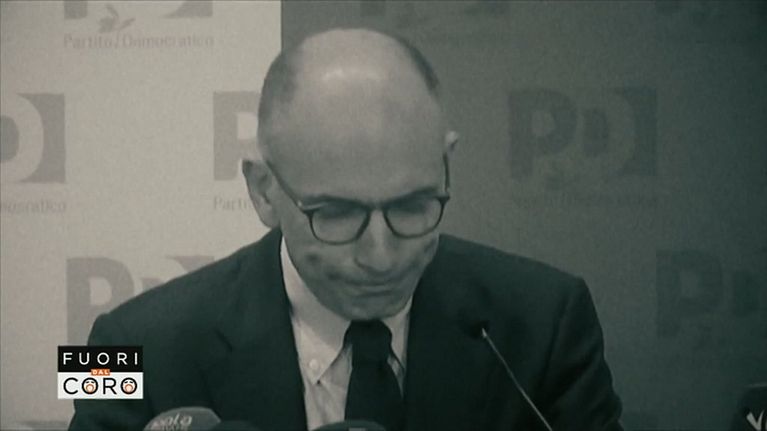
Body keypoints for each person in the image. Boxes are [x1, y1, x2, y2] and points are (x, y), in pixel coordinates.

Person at [69, 28, 623, 431]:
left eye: (412, 206)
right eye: (335, 214)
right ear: (262, 189)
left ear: (446, 162)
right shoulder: (117, 344)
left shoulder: (553, 319)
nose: (381, 256)